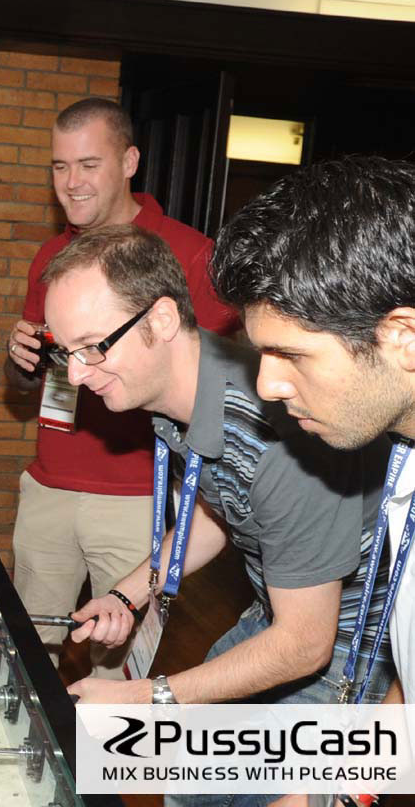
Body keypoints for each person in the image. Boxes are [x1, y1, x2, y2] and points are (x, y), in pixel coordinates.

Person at [40, 226, 393, 727]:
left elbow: (305, 644)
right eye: (66, 351)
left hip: (348, 650)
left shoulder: (275, 437)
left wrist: (142, 699)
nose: (75, 375)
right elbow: (221, 510)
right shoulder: (185, 386)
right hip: (280, 612)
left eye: (93, 346)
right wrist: (126, 594)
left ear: (162, 319)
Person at [5, 97, 239, 676]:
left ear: (130, 162)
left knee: (120, 669)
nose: (71, 182)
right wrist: (21, 360)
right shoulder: (52, 255)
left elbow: (217, 383)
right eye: (60, 166)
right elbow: (32, 381)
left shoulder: (190, 254)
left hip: (138, 496)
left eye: (88, 164)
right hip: (50, 485)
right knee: (24, 654)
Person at [211, 156, 415, 803]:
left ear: (404, 337)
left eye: (291, 354)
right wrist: (330, 792)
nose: (267, 384)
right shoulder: (401, 452)